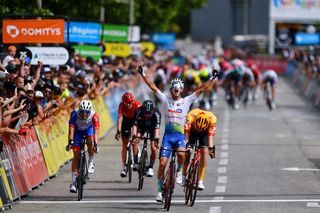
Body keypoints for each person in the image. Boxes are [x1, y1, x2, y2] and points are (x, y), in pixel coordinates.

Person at [137, 64, 218, 202]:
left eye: (178, 87)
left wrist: (212, 78)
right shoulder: (165, 99)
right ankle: (159, 191)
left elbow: (201, 89)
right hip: (168, 137)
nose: (176, 89)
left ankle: (180, 171)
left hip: (180, 136)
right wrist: (143, 74)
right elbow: (153, 87)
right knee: (162, 163)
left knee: (182, 154)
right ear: (171, 89)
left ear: (181, 90)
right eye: (174, 87)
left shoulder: (186, 101)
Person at [66, 100, 100, 193]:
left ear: (90, 112)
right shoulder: (74, 114)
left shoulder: (94, 116)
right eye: (82, 112)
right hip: (77, 132)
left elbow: (96, 133)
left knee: (90, 141)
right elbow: (71, 131)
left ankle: (91, 161)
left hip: (88, 131)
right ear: (79, 110)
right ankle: (73, 182)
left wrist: (95, 144)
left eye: (87, 113)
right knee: (76, 155)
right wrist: (70, 142)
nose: (85, 115)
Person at [182, 108, 217, 190]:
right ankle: (183, 176)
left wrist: (211, 150)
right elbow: (186, 134)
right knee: (188, 152)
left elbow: (210, 137)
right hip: (192, 131)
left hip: (204, 132)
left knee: (204, 152)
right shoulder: (190, 116)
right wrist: (188, 145)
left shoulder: (213, 119)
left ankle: (200, 180)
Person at [115, 91, 141, 178]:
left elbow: (138, 121)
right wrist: (118, 131)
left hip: (135, 120)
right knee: (124, 143)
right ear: (124, 102)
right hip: (126, 121)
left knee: (134, 141)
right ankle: (124, 166)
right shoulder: (121, 105)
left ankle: (136, 162)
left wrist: (136, 133)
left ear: (132, 101)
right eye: (126, 102)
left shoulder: (137, 105)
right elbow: (120, 119)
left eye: (130, 102)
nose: (128, 104)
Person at [132, 100, 161, 177]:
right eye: (146, 114)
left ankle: (150, 167)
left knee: (154, 148)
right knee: (135, 142)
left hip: (152, 128)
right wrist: (134, 135)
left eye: (150, 114)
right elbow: (135, 124)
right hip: (142, 126)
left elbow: (157, 128)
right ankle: (135, 162)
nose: (148, 116)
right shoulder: (139, 111)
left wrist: (156, 139)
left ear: (153, 111)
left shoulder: (157, 113)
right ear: (143, 110)